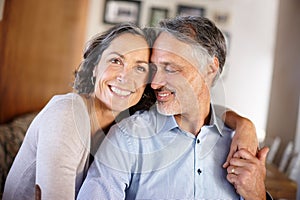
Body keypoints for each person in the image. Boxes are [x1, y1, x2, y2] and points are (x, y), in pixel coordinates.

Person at [3, 22, 257, 199]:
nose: (126, 77)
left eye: (141, 68)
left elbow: (195, 107)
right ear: (93, 66)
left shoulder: (126, 117)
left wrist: (244, 124)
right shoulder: (68, 113)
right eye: (116, 60)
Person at [77, 16, 269, 200]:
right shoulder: (129, 137)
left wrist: (258, 195)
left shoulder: (240, 145)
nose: (155, 83)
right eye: (154, 69)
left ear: (211, 68)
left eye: (170, 68)